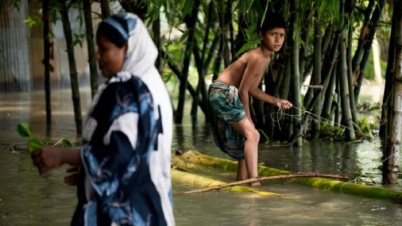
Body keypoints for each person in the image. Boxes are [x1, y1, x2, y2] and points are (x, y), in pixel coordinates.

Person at [31, 13, 175, 226]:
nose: (97, 56)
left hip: (126, 212)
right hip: (152, 203)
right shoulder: (152, 83)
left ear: (126, 48)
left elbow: (122, 152)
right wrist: (88, 169)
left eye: (104, 49)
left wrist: (64, 155)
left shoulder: (128, 90)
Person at [208, 13, 293, 187]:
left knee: (246, 137)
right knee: (253, 134)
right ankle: (254, 182)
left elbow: (252, 89)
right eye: (273, 35)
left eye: (281, 35)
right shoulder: (256, 57)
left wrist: (275, 100)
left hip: (226, 93)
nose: (278, 40)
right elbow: (243, 91)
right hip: (223, 93)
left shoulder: (265, 58)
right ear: (261, 35)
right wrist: (248, 117)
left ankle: (241, 179)